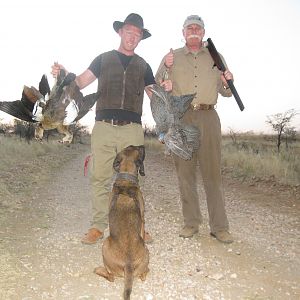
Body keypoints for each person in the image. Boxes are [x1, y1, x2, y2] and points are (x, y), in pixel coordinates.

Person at [51, 13, 171, 244]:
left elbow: (154, 94)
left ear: (140, 38)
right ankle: (98, 226)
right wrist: (64, 75)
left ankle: (137, 228)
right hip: (104, 127)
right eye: (129, 31)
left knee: (132, 182)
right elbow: (81, 82)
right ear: (120, 32)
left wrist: (165, 85)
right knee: (100, 178)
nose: (133, 37)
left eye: (137, 34)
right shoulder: (103, 59)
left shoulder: (143, 65)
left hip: (132, 130)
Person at [155, 15, 234, 243]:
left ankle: (219, 227)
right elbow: (158, 85)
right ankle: (191, 223)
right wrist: (165, 76)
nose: (193, 30)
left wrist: (228, 81)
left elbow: (226, 91)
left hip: (209, 116)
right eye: (189, 27)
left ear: (203, 31)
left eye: (197, 27)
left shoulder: (216, 56)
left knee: (213, 174)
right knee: (185, 174)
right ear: (183, 32)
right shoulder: (172, 57)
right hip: (182, 116)